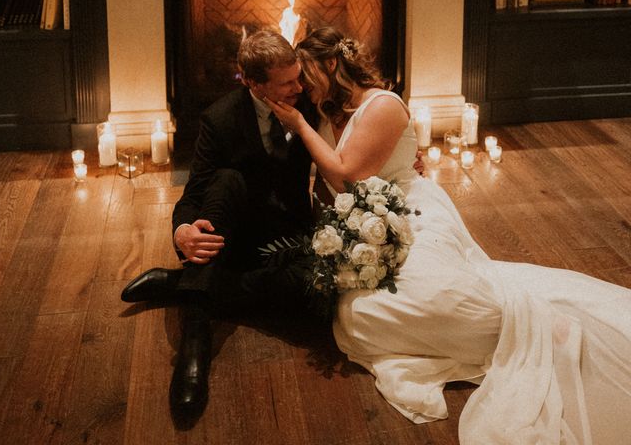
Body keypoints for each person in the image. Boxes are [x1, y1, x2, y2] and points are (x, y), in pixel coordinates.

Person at [267, 26, 631, 445]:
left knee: (437, 294)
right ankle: (493, 326)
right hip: (364, 225)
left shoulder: (381, 105)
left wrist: (296, 121)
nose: (299, 88)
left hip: (411, 212)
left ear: (332, 65)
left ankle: (536, 326)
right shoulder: (324, 109)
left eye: (305, 76)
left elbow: (348, 176)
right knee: (357, 319)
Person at [120, 29, 317, 424]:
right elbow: (195, 191)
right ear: (255, 85)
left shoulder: (311, 103)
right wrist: (181, 231)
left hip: (290, 232)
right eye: (288, 82)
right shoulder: (221, 118)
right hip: (236, 228)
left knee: (314, 297)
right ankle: (195, 340)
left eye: (298, 76)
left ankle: (182, 285)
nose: (299, 85)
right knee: (225, 180)